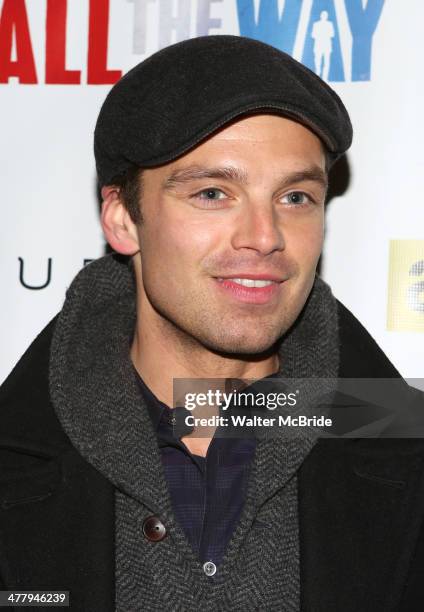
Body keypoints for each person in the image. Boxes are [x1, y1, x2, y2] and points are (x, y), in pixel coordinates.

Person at [0, 35, 423, 612]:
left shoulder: (404, 453)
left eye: (295, 197)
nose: (265, 235)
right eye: (213, 192)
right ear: (123, 219)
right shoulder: (18, 455)